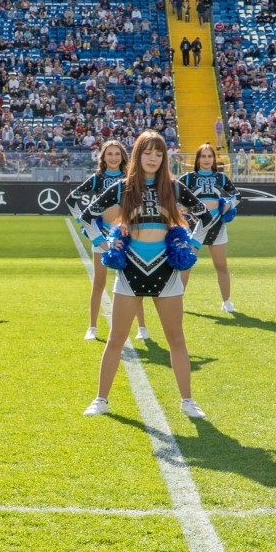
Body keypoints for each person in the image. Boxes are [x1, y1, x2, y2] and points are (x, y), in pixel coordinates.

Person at [79, 131, 215, 419]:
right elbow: (87, 216)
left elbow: (205, 217)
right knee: (116, 339)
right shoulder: (123, 188)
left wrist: (191, 245)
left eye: (159, 153)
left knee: (176, 339)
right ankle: (101, 399)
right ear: (138, 155)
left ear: (164, 157)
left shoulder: (174, 188)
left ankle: (188, 400)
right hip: (130, 270)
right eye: (147, 152)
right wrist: (105, 245)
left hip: (166, 270)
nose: (153, 158)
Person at [67, 140, 150, 342]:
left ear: (123, 157)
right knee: (99, 282)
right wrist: (83, 222)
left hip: (126, 235)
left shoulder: (131, 178)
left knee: (134, 281)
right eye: (109, 154)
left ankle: (142, 328)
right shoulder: (97, 179)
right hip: (102, 236)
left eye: (117, 154)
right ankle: (92, 327)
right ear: (103, 157)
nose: (113, 158)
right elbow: (71, 199)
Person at [177, 143, 238, 312]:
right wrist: (179, 209)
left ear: (214, 159)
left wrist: (229, 204)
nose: (206, 159)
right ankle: (177, 301)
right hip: (194, 226)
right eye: (203, 156)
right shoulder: (188, 178)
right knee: (186, 264)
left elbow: (237, 195)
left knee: (221, 266)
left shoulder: (221, 177)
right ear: (197, 159)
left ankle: (227, 302)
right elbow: (173, 194)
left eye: (209, 156)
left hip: (217, 225)